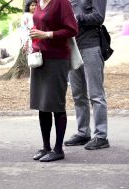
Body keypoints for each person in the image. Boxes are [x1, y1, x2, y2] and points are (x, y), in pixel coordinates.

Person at [29, 0, 78, 162]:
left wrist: (46, 35)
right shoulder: (38, 2)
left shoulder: (61, 2)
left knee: (56, 104)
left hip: (57, 59)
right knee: (42, 105)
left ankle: (58, 149)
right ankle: (46, 147)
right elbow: (39, 24)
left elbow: (72, 29)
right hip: (39, 59)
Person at [64, 0, 110, 150]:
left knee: (96, 94)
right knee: (78, 94)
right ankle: (83, 133)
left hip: (91, 46)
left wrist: (78, 18)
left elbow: (99, 16)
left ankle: (101, 136)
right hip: (72, 48)